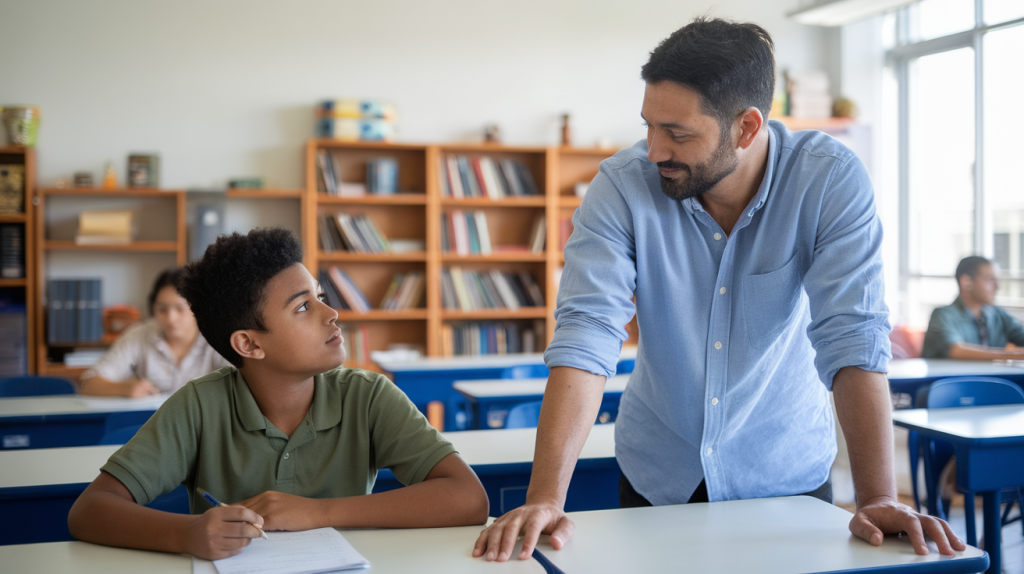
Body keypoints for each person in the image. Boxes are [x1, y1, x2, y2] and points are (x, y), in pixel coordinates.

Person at [474, 17, 965, 562]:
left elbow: (852, 337)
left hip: (786, 478)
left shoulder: (827, 180)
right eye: (649, 126)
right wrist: (545, 498)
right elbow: (588, 332)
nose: (655, 150)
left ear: (747, 128)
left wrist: (875, 497)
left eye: (678, 133)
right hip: (659, 475)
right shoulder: (621, 185)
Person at [68, 228, 488, 559]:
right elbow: (90, 511)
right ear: (249, 345)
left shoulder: (368, 396)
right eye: (303, 306)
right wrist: (187, 532)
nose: (332, 312)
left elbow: (467, 498)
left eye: (320, 296)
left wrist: (317, 512)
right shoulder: (199, 406)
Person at [79, 268, 230, 397]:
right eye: (162, 309)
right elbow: (88, 382)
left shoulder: (216, 336)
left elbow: (244, 383)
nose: (171, 318)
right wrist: (125, 388)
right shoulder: (140, 334)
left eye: (180, 308)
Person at [922, 255, 1024, 360]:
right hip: (951, 376)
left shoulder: (998, 314)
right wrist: (1013, 355)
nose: (997, 287)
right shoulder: (942, 315)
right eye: (990, 280)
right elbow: (956, 350)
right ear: (967, 282)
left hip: (988, 376)